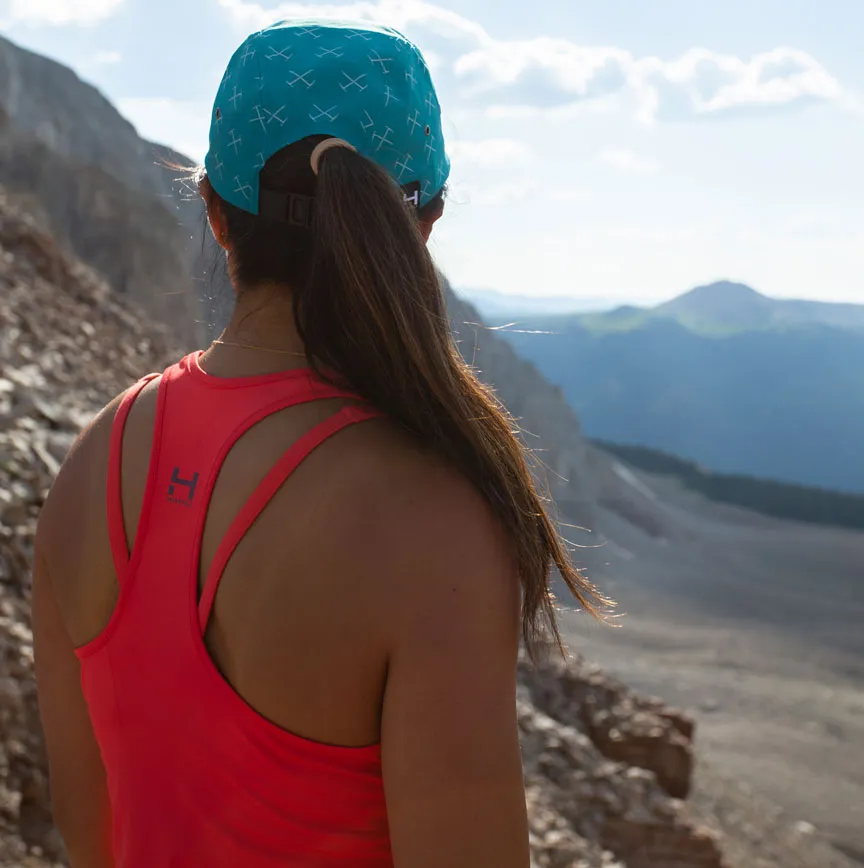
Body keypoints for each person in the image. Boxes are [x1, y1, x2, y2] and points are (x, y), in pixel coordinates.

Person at [32, 18, 610, 868]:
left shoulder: (93, 460)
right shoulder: (432, 522)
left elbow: (91, 836)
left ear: (216, 213)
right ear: (423, 224)